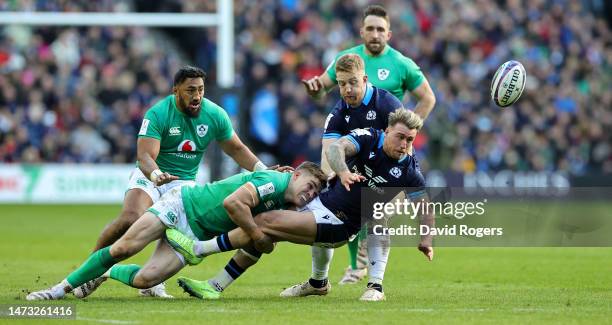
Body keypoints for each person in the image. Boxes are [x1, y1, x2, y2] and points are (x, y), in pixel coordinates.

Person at [170, 109, 434, 301]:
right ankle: (216, 286)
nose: (404, 145)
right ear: (387, 130)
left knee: (263, 223)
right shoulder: (369, 137)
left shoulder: (410, 171)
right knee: (260, 232)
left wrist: (427, 239)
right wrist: (342, 172)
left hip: (339, 222)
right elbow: (337, 148)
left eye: (410, 140)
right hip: (321, 202)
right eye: (400, 137)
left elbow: (424, 206)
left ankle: (198, 250)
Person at [74, 65, 283, 298]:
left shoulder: (215, 114)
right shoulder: (158, 113)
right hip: (152, 175)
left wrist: (264, 171)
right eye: (191, 90)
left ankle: (153, 284)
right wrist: (156, 175)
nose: (197, 96)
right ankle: (89, 271)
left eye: (201, 89)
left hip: (183, 184)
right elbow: (144, 156)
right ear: (176, 90)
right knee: (130, 218)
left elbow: (236, 148)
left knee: (177, 235)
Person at [25, 162, 326, 301]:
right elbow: (233, 204)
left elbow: (253, 242)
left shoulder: (287, 209)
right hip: (183, 205)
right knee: (124, 247)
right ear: (296, 174)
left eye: (315, 193)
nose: (310, 194)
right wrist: (258, 236)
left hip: (192, 235)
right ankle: (57, 290)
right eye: (309, 185)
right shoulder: (275, 181)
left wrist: (259, 241)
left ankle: (106, 273)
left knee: (146, 278)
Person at [303, 5, 436, 285]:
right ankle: (354, 267)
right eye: (370, 29)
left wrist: (407, 131)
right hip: (353, 148)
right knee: (345, 200)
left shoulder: (402, 64)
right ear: (362, 31)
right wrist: (316, 89)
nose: (375, 34)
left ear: (389, 33)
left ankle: (364, 273)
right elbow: (323, 89)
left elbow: (428, 98)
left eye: (380, 29)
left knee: (373, 210)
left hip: (386, 154)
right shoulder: (347, 58)